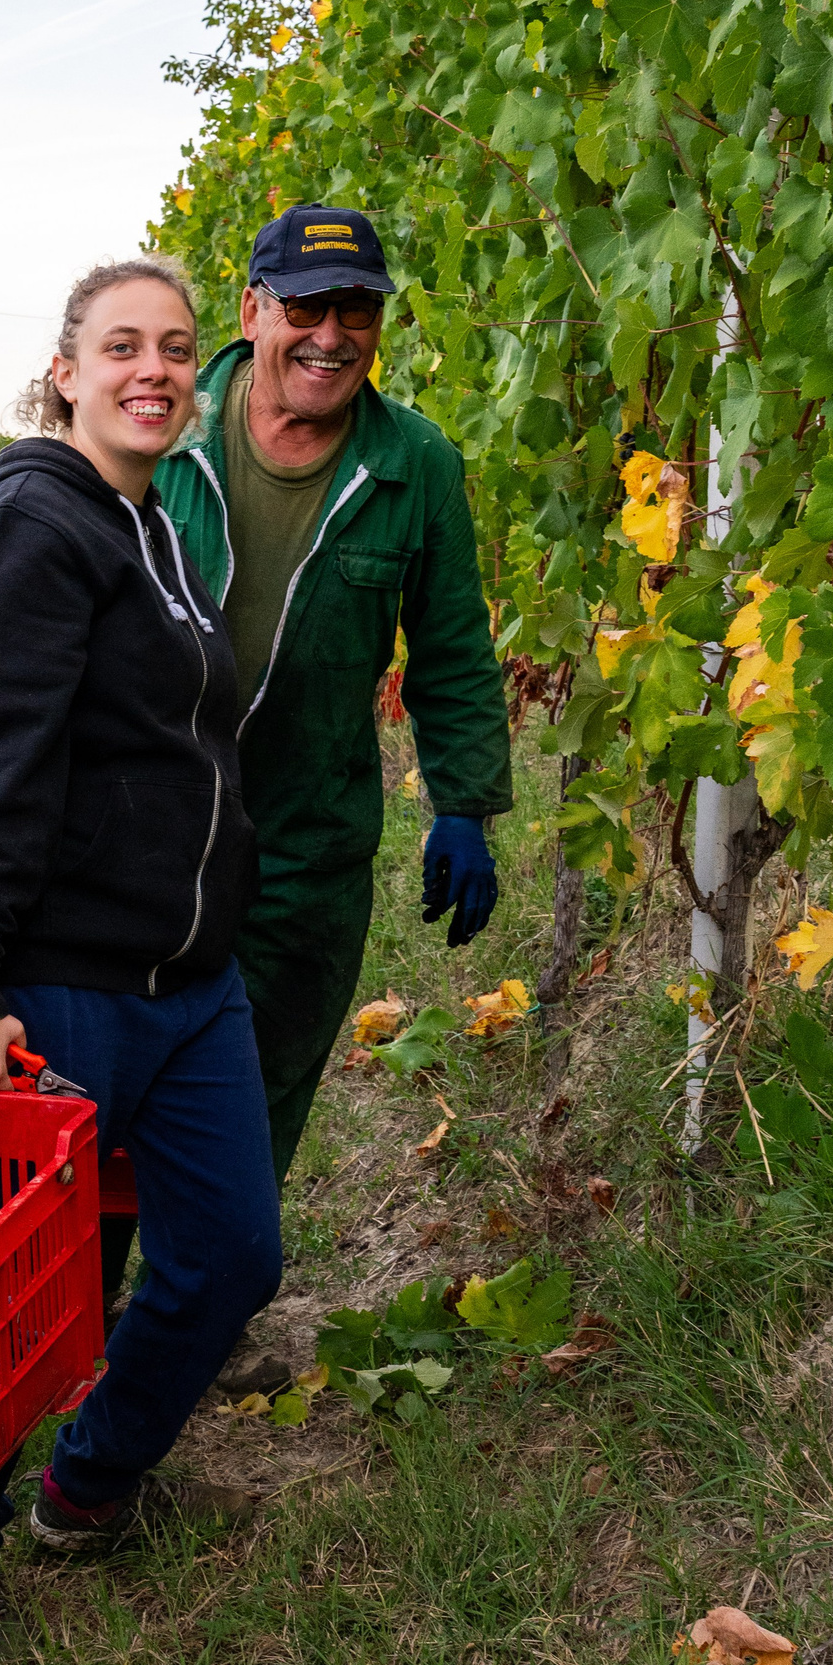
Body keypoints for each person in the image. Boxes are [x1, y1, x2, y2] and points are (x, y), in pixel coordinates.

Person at [0, 259, 281, 1664]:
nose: (155, 369)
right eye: (121, 346)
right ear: (63, 369)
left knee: (234, 1254)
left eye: (177, 349)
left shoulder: (150, 522)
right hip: (64, 986)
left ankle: (92, 1480)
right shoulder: (32, 529)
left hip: (192, 988)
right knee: (13, 1303)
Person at [158, 204, 515, 1187]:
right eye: (307, 306)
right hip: (148, 836)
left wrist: (465, 809)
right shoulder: (162, 429)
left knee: (252, 1111)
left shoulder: (414, 465)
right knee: (104, 1110)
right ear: (251, 312)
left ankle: (207, 1317)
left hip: (304, 851)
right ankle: (83, 1326)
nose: (330, 334)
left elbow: (450, 650)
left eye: (355, 309)